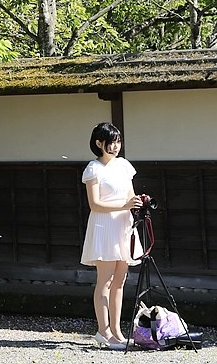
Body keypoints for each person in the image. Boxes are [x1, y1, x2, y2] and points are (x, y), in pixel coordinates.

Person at [81, 121, 143, 350]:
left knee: (120, 281)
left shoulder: (124, 166)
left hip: (123, 225)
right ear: (99, 143)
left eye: (118, 141)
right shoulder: (93, 168)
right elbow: (95, 204)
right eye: (111, 142)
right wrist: (124, 205)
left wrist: (136, 204)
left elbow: (130, 195)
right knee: (105, 281)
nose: (116, 146)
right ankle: (103, 331)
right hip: (104, 226)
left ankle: (116, 331)